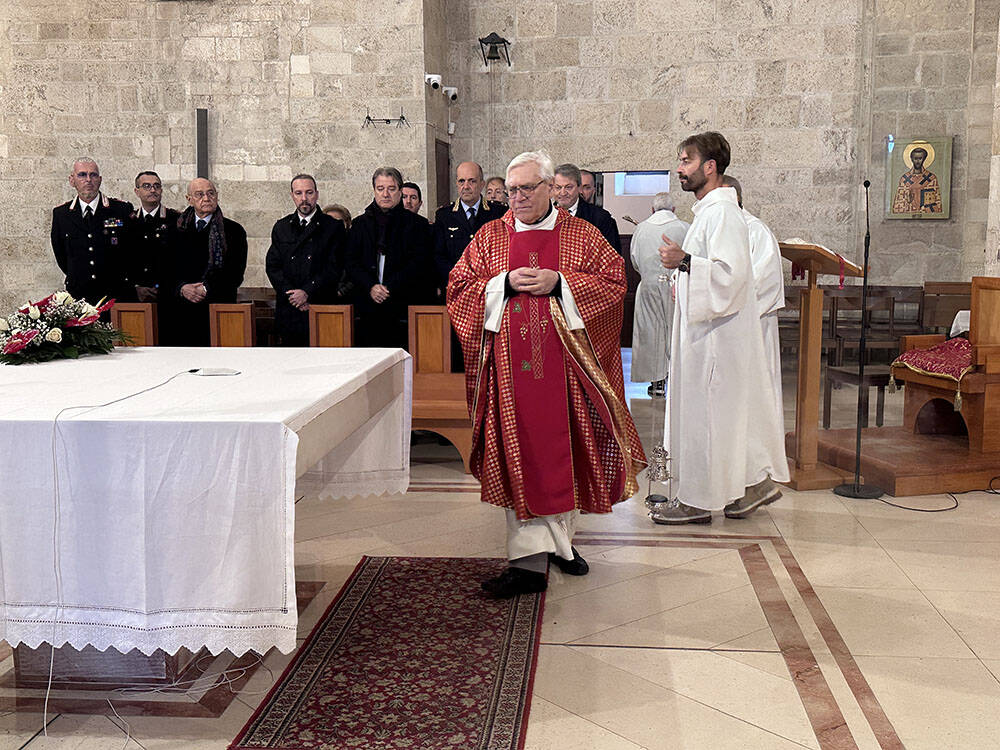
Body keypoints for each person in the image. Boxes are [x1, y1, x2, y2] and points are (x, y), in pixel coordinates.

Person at [447, 150, 645, 597]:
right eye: (511, 190)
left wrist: (561, 283)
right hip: (511, 378)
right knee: (522, 457)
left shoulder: (581, 235)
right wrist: (500, 284)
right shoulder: (490, 238)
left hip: (567, 374)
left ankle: (560, 544)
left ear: (550, 189)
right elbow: (458, 288)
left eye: (526, 189)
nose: (516, 198)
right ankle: (527, 565)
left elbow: (615, 284)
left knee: (565, 454)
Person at [652, 132, 787, 524]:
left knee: (705, 417)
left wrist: (685, 262)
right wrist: (684, 267)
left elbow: (731, 277)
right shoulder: (711, 213)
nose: (680, 168)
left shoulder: (723, 214)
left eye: (687, 161)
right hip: (707, 335)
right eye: (679, 160)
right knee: (721, 419)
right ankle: (748, 487)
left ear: (710, 167)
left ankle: (696, 501)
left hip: (714, 340)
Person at [723, 175, 787, 455]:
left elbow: (766, 281)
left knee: (753, 395)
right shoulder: (718, 229)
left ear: (736, 198)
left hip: (750, 325)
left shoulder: (755, 230)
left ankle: (758, 453)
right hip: (722, 328)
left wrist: (727, 304)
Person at [347, 167, 433, 348]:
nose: (385, 194)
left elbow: (419, 263)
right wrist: (371, 286)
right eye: (380, 188)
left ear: (400, 191)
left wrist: (388, 287)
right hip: (368, 306)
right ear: (374, 190)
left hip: (403, 305)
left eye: (391, 189)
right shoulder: (359, 224)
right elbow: (351, 262)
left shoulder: (418, 225)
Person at [160, 178, 248, 346]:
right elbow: (163, 270)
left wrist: (206, 288)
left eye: (210, 193)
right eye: (199, 195)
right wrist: (182, 288)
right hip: (180, 313)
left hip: (217, 311)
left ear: (217, 196)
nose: (206, 198)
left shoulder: (233, 231)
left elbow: (235, 273)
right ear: (189, 199)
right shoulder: (173, 230)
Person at [265, 174, 347, 346]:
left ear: (316, 194)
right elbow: (273, 266)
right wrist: (293, 295)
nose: (304, 199)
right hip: (290, 309)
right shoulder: (282, 227)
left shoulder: (332, 226)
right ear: (292, 195)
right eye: (299, 193)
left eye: (309, 193)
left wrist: (307, 292)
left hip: (320, 307)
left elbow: (334, 267)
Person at [50, 157, 133, 305]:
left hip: (115, 294)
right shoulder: (62, 214)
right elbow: (61, 255)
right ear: (72, 180)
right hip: (79, 295)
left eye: (93, 175)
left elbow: (131, 249)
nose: (88, 180)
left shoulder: (120, 210)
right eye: (82, 175)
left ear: (100, 180)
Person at [629, 192, 689, 396]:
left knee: (651, 333)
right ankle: (678, 379)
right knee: (675, 331)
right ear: (673, 210)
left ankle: (657, 383)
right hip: (676, 286)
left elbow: (635, 259)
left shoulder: (641, 229)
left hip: (649, 286)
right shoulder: (684, 227)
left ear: (652, 210)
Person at [433, 161, 506, 287]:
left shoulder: (498, 213)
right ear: (456, 184)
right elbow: (438, 256)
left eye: (472, 181)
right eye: (461, 181)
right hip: (456, 286)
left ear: (482, 184)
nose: (466, 186)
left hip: (490, 287)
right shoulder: (444, 216)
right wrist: (460, 277)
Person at [124, 170, 177, 304]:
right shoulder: (128, 221)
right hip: (137, 295)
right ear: (137, 191)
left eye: (157, 186)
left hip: (169, 294)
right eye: (147, 186)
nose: (153, 190)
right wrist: (134, 288)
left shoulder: (175, 220)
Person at [552, 163, 622, 256]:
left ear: (579, 188)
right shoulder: (544, 215)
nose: (563, 192)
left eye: (568, 187)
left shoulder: (601, 218)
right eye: (558, 187)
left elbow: (612, 258)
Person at [891, 145, 942, 213]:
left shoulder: (931, 178)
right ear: (911, 159)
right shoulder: (905, 179)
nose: (918, 161)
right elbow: (898, 205)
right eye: (915, 158)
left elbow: (937, 204)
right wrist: (907, 202)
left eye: (920, 158)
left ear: (924, 159)